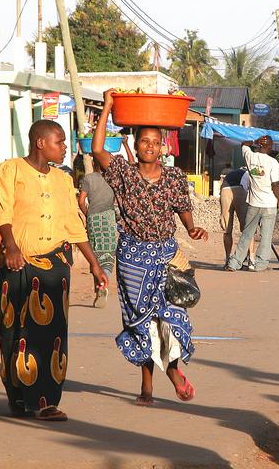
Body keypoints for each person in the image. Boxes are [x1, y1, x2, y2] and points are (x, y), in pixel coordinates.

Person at [93, 88, 208, 406]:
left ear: (163, 147)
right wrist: (107, 108)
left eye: (156, 143)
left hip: (164, 256)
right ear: (134, 144)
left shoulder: (173, 177)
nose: (150, 147)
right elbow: (98, 147)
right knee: (141, 323)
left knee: (167, 320)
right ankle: (148, 387)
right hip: (132, 260)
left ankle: (167, 376)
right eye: (144, 141)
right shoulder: (123, 174)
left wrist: (192, 228)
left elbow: (183, 208)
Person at [0, 119, 108, 421]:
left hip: (55, 266)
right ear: (40, 143)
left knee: (52, 336)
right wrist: (11, 245)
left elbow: (73, 223)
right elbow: (2, 211)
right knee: (15, 331)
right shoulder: (11, 170)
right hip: (18, 262)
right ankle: (18, 397)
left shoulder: (62, 180)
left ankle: (45, 400)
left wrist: (94, 265)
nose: (64, 146)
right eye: (59, 141)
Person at [79, 148, 132, 308]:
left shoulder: (88, 178)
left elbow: (81, 202)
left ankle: (99, 290)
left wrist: (88, 215)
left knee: (95, 255)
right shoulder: (114, 178)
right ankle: (104, 284)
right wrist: (126, 145)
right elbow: (130, 165)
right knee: (108, 254)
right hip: (109, 218)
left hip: (93, 219)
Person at [226, 135, 279, 272]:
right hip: (269, 203)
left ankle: (235, 263)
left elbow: (243, 144)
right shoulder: (273, 162)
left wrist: (254, 142)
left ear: (259, 145)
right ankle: (260, 264)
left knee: (247, 234)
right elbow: (275, 185)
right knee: (266, 236)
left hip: (253, 202)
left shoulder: (250, 156)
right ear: (270, 147)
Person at [219, 167, 255, 266]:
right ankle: (251, 259)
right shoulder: (248, 174)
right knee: (248, 228)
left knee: (227, 229)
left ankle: (228, 259)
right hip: (240, 191)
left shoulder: (231, 175)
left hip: (225, 190)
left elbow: (221, 189)